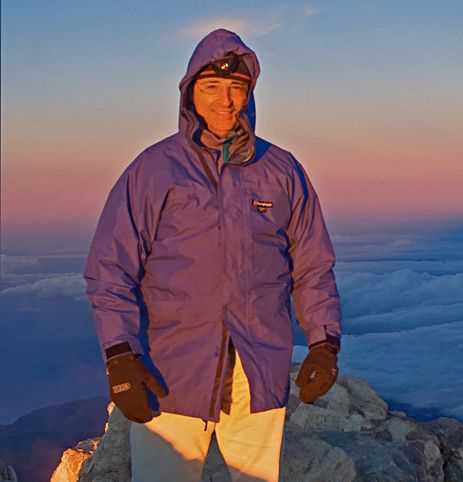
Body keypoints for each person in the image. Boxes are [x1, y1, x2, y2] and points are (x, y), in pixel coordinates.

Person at [83, 29, 342, 482]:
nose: (225, 101)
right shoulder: (154, 168)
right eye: (211, 88)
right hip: (169, 371)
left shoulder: (281, 170)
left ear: (249, 94)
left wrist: (324, 343)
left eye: (236, 88)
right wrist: (120, 355)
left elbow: (313, 263)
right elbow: (110, 268)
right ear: (189, 93)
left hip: (257, 368)